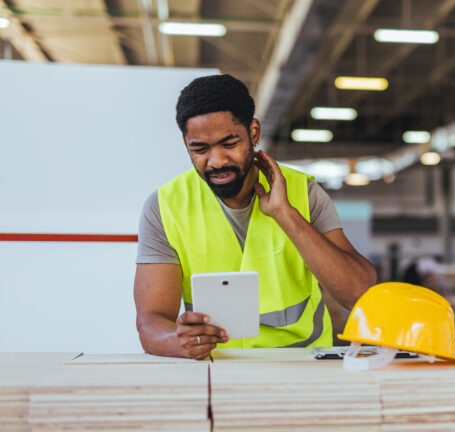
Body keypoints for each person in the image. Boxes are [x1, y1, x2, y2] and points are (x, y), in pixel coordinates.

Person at [133, 74, 377, 359]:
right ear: (185, 142)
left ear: (254, 132)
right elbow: (150, 321)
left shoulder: (304, 194)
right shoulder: (164, 206)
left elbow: (361, 294)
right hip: (216, 370)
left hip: (301, 369)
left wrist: (286, 215)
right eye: (199, 149)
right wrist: (180, 341)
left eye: (229, 143)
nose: (216, 161)